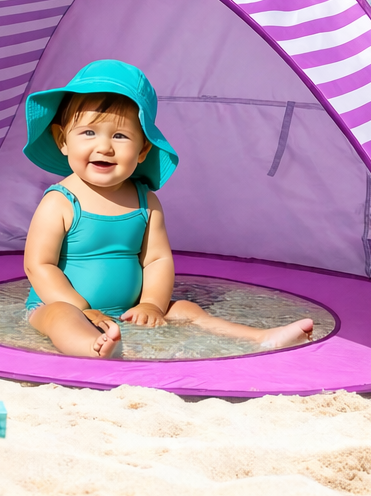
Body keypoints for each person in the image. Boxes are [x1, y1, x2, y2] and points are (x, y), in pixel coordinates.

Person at [22, 60, 314, 359]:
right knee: (59, 318)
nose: (105, 147)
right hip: (59, 302)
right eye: (89, 133)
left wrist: (151, 304)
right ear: (62, 140)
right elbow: (39, 265)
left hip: (129, 308)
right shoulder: (60, 201)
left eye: (120, 136)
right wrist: (82, 309)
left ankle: (260, 338)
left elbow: (157, 259)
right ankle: (91, 348)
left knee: (187, 309)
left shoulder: (145, 201)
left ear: (143, 150)